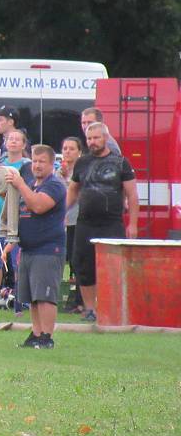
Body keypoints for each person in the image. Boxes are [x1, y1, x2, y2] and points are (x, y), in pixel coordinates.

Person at [66, 122, 138, 322]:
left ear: (106, 138)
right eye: (89, 138)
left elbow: (132, 195)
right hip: (85, 223)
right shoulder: (82, 163)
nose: (92, 142)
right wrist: (63, 211)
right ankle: (90, 309)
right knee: (83, 265)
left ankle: (112, 308)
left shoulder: (121, 162)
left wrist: (132, 224)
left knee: (113, 267)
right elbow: (73, 189)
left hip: (112, 223)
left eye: (96, 138)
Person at [3, 145, 67, 349]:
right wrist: (11, 243)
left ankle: (47, 337)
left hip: (47, 248)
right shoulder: (31, 184)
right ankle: (36, 333)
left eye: (42, 162)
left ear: (51, 164)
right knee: (31, 296)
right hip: (28, 249)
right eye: (34, 161)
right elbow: (21, 214)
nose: (37, 166)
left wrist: (20, 184)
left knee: (45, 295)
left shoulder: (55, 185)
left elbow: (38, 206)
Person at [0, 129, 31, 301]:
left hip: (17, 216)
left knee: (17, 258)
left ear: (24, 144)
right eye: (9, 139)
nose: (12, 142)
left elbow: (28, 188)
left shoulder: (27, 165)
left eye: (17, 139)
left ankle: (21, 297)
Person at [56, 136, 83, 313]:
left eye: (71, 148)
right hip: (61, 221)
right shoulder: (57, 172)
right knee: (63, 259)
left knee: (77, 260)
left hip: (78, 220)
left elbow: (78, 194)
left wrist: (67, 180)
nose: (67, 152)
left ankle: (79, 299)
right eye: (65, 148)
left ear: (79, 152)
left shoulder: (82, 170)